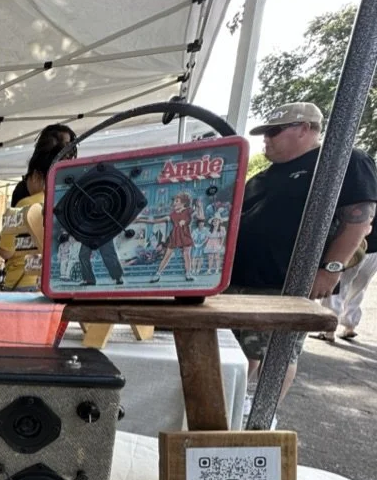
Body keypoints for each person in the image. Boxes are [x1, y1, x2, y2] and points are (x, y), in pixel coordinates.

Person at [228, 101, 377, 417]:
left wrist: (330, 269)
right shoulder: (264, 176)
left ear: (306, 129)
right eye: (265, 132)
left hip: (284, 283)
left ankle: (260, 416)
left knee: (276, 353)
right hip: (240, 282)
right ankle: (232, 407)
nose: (266, 138)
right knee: (242, 351)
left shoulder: (342, 160)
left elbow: (360, 221)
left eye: (274, 131)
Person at [0, 146, 56, 290]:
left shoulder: (22, 206)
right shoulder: (56, 203)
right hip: (46, 282)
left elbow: (6, 251)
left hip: (20, 282)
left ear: (35, 176)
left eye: (27, 178)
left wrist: (1, 241)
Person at [315, 226, 377, 341]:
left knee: (338, 287)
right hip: (374, 253)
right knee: (359, 289)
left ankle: (328, 330)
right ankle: (350, 326)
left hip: (356, 248)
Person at [11, 124, 77, 206]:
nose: (68, 152)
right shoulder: (36, 178)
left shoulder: (62, 175)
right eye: (65, 144)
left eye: (69, 145)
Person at [149, 192, 196, 283]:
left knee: (186, 254)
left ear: (183, 202)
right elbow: (155, 221)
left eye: (177, 201)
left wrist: (198, 207)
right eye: (174, 201)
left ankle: (188, 273)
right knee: (167, 255)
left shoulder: (189, 210)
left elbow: (198, 216)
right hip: (175, 235)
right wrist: (140, 219)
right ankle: (158, 274)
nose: (174, 203)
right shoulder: (172, 214)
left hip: (185, 234)